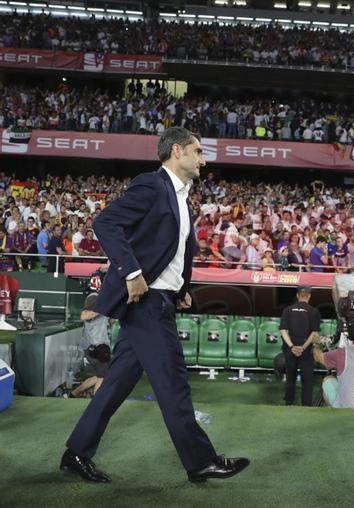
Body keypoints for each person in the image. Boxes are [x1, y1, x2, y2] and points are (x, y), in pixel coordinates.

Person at [61, 127, 249, 483]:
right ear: (177, 152)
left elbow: (173, 250)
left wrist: (181, 288)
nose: (203, 159)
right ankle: (200, 461)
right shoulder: (152, 184)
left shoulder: (181, 196)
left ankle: (76, 453)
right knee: (173, 382)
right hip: (147, 302)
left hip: (161, 297)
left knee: (115, 384)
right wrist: (131, 272)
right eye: (197, 152)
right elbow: (105, 222)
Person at [279, 285, 321, 406]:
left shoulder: (287, 310)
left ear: (297, 296)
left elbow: (283, 331)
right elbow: (314, 333)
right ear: (309, 296)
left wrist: (292, 347)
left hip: (290, 350)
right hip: (306, 351)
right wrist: (302, 347)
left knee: (290, 378)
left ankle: (289, 402)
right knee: (307, 380)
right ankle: (306, 405)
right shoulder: (314, 311)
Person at [70, 293, 111, 398]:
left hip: (98, 345)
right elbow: (83, 315)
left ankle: (73, 394)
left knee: (100, 375)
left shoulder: (103, 299)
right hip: (96, 346)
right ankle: (96, 402)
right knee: (104, 376)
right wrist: (102, 309)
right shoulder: (94, 297)